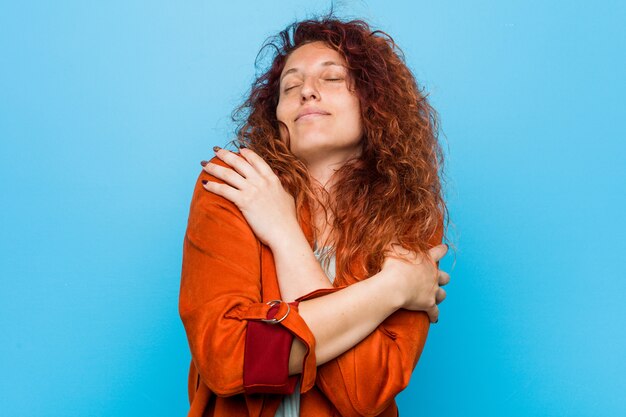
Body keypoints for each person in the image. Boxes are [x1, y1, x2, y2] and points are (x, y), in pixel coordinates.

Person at [179, 14, 452, 417]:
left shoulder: (409, 216)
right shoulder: (233, 187)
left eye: (332, 79)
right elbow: (229, 357)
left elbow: (366, 391)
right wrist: (391, 288)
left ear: (373, 101)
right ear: (277, 118)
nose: (307, 91)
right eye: (291, 86)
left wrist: (283, 237)